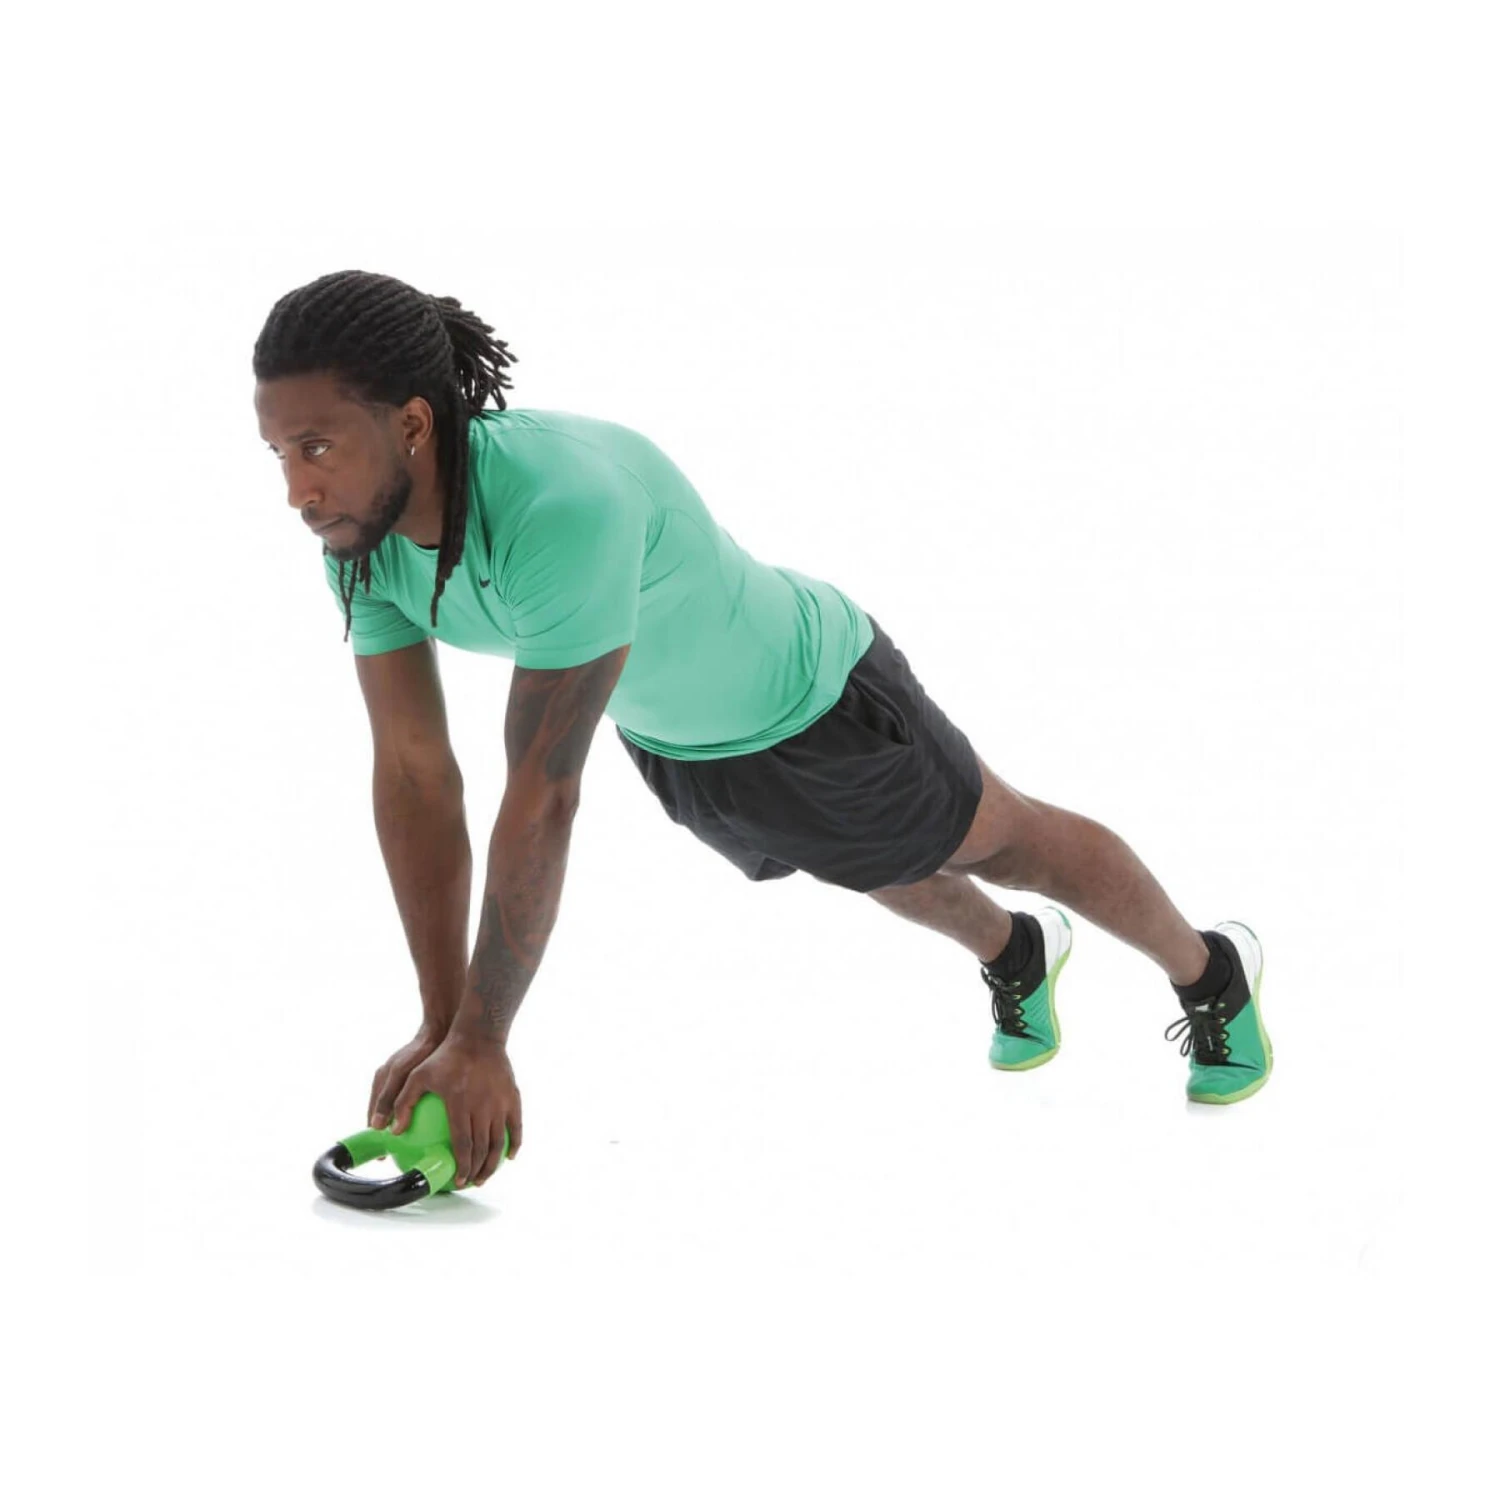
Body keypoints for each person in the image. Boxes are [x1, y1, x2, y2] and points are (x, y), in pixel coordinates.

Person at [253, 270, 1273, 1191]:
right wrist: (442, 1029)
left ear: (414, 423)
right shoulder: (361, 541)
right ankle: (1016, 953)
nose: (297, 491)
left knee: (1007, 843)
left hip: (819, 699)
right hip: (681, 747)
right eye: (279, 454)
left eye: (317, 447)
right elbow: (416, 773)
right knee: (866, 864)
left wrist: (483, 1039)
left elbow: (542, 790)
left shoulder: (560, 507)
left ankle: (1211, 970)